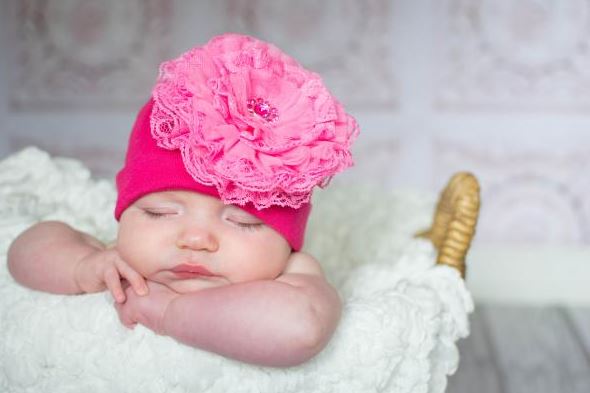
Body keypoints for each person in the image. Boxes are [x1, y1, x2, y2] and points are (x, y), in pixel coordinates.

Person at [7, 33, 359, 367]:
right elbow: (24, 251)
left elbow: (299, 329)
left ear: (288, 245)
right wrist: (84, 267)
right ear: (126, 212)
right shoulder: (118, 263)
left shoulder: (293, 273)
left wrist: (166, 314)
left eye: (242, 222)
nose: (195, 240)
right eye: (159, 213)